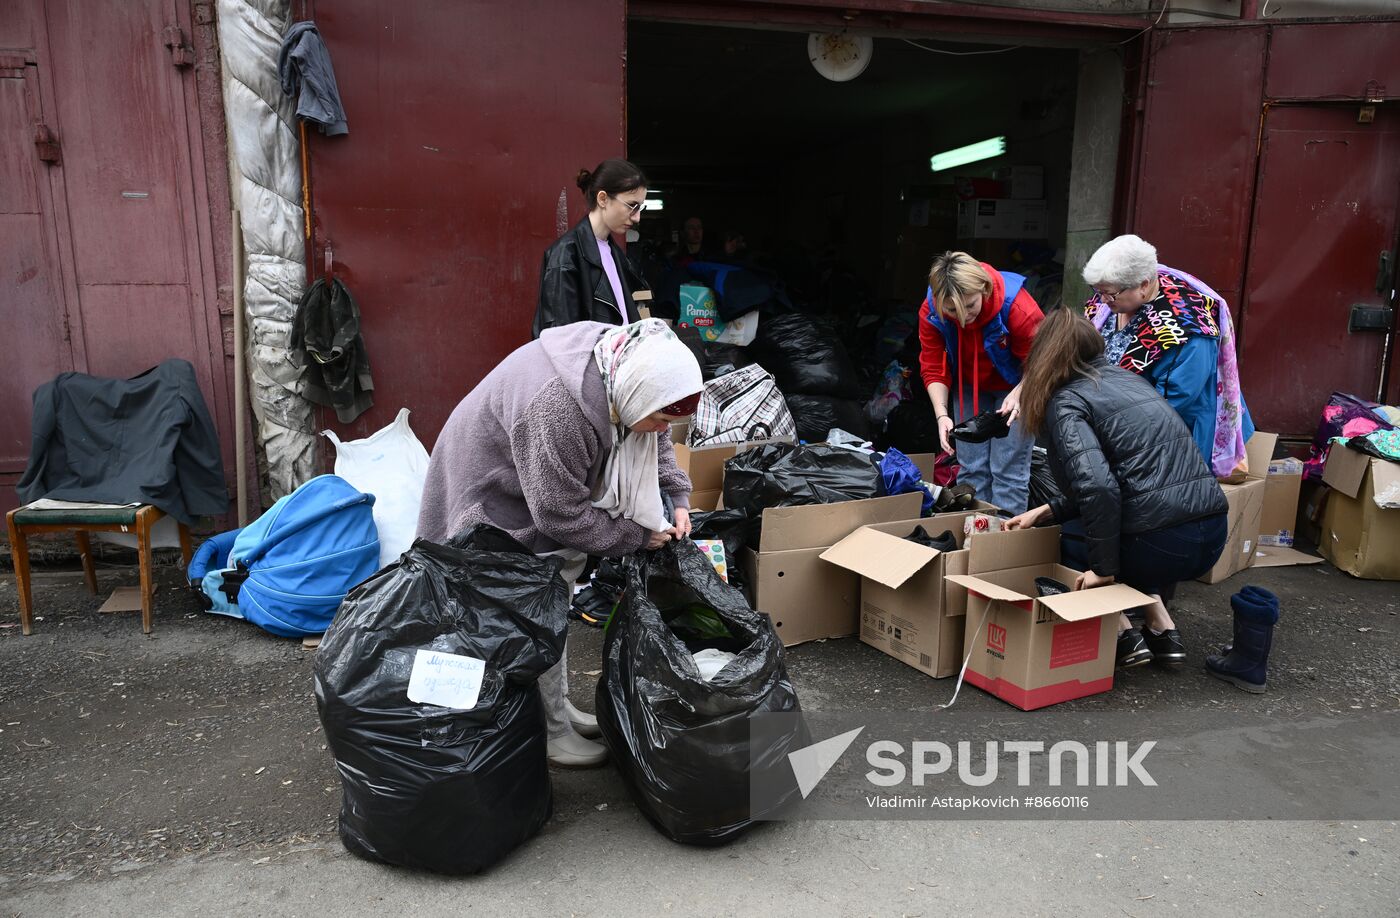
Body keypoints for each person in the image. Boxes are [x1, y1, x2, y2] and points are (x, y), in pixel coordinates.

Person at [418, 318, 703, 767]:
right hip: (493, 494)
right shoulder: (558, 407)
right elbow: (557, 514)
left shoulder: (628, 362)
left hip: (534, 477)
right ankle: (547, 729)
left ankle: (556, 709)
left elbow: (658, 435)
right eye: (658, 415)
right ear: (635, 396)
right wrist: (635, 536)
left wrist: (676, 494)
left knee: (552, 597)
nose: (659, 428)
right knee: (530, 607)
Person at [1005, 309, 1229, 669]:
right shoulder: (1129, 380)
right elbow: (1126, 480)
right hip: (1212, 534)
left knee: (1071, 539)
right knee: (1103, 523)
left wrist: (1102, 569)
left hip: (1161, 542)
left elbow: (1098, 489)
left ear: (1043, 357)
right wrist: (1046, 509)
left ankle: (1121, 631)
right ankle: (1162, 628)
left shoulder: (1066, 402)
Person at [1081, 234, 1254, 478]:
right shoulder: (1116, 295)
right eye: (1098, 291)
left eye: (1110, 294)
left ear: (1143, 284)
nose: (1102, 300)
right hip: (1122, 420)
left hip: (1170, 433)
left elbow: (1172, 404)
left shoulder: (1189, 330)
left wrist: (1112, 435)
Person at [918, 251, 1044, 514]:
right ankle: (975, 537)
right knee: (971, 466)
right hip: (968, 384)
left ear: (984, 289)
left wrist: (1021, 392)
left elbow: (1043, 362)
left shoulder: (1019, 307)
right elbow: (932, 365)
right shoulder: (931, 310)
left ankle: (1003, 544)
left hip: (1020, 382)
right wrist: (942, 415)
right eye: (952, 310)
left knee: (1008, 468)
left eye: (971, 306)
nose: (963, 317)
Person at [532, 159, 650, 338]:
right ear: (603, 199)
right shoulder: (566, 255)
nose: (637, 218)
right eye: (632, 206)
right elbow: (560, 344)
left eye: (640, 207)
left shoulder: (616, 254)